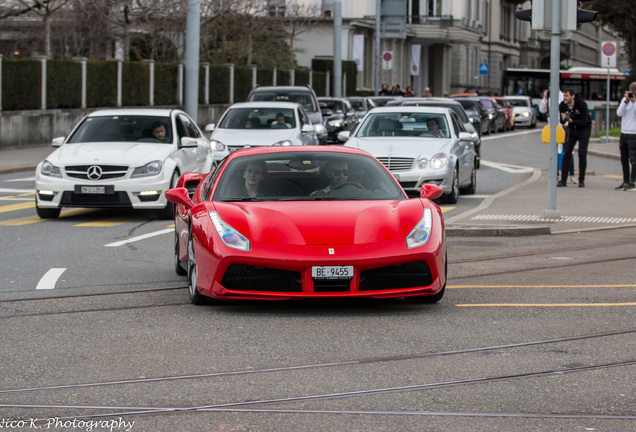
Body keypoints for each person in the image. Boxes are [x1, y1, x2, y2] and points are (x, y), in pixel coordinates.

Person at [557, 89, 591, 188]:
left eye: (567, 96)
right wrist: (563, 119)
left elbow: (584, 121)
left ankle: (581, 180)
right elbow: (563, 122)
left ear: (573, 96)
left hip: (584, 129)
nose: (565, 98)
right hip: (571, 129)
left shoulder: (581, 104)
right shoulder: (563, 105)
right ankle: (563, 180)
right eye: (564, 96)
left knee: (582, 154)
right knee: (566, 153)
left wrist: (572, 121)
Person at [615, 82, 636, 190]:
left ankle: (633, 181)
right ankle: (626, 181)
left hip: (634, 133)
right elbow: (619, 113)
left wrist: (634, 101)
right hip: (624, 133)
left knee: (633, 159)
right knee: (624, 159)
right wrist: (625, 101)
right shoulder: (626, 101)